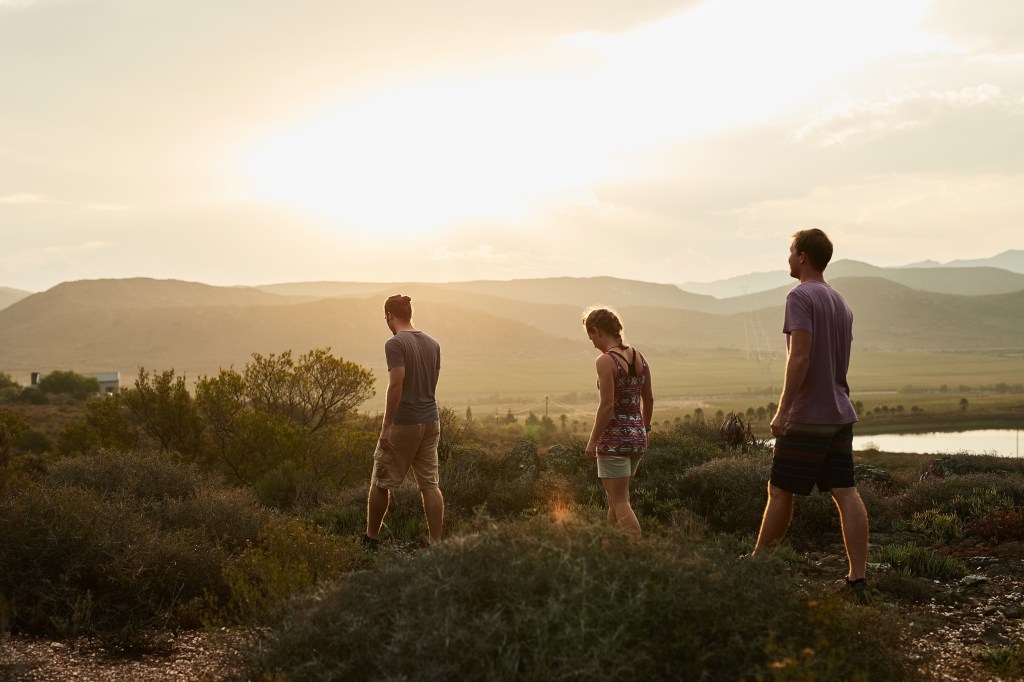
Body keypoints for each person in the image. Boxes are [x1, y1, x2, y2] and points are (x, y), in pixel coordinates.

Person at [752, 229, 870, 602]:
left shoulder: (800, 296)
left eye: (790, 251)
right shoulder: (841, 302)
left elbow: (799, 355)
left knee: (780, 489)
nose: (788, 258)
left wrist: (784, 409)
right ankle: (857, 579)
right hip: (839, 411)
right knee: (845, 492)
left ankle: (758, 565)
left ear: (803, 256)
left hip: (808, 414)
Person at [362, 295, 444, 550]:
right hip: (431, 420)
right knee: (430, 484)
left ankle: (371, 539)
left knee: (380, 481)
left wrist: (387, 427)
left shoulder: (395, 344)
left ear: (389, 315)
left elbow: (396, 384)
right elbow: (433, 382)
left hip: (404, 423)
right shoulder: (433, 343)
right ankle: (436, 545)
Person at [583, 307, 654, 536]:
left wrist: (593, 441)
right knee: (616, 500)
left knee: (620, 502)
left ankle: (640, 553)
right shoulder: (639, 357)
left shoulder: (605, 361)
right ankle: (609, 552)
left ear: (597, 331)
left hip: (613, 441)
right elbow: (649, 398)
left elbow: (607, 406)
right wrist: (645, 429)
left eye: (591, 336)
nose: (592, 342)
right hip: (637, 439)